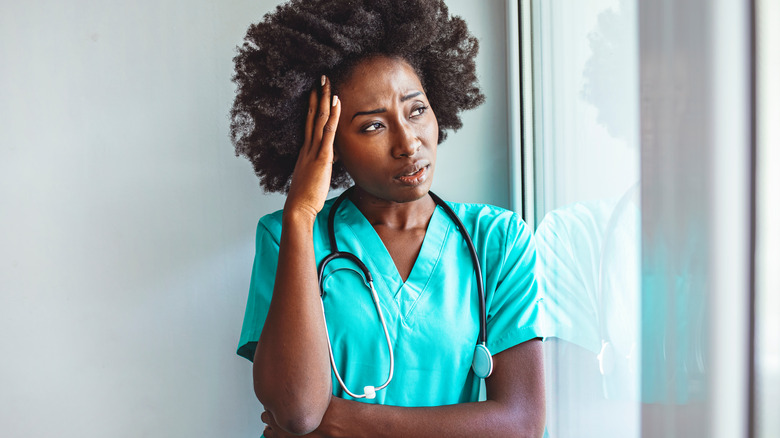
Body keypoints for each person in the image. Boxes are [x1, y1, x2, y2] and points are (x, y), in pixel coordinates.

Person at [231, 1, 545, 436]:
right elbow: (300, 413)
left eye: (417, 110)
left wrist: (347, 422)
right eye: (373, 126)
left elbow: (521, 422)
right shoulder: (288, 237)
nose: (408, 143)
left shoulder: (499, 240)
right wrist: (301, 213)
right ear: (327, 144)